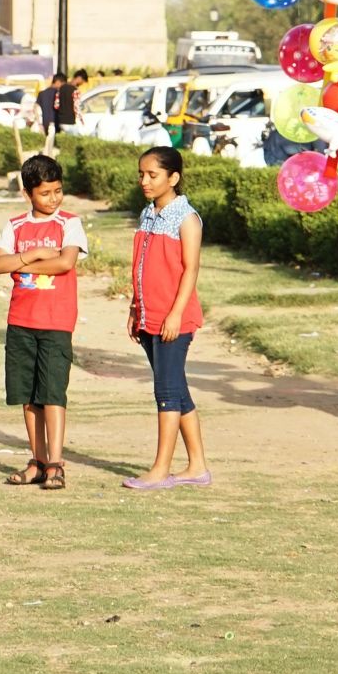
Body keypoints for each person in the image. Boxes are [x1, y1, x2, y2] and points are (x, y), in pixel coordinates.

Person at [0, 154, 86, 490]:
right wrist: (33, 255)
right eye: (45, 193)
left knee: (52, 393)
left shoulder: (69, 223)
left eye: (58, 191)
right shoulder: (15, 226)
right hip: (21, 321)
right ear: (27, 193)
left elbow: (65, 264)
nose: (53, 199)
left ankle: (56, 464)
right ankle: (38, 460)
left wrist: (19, 264)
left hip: (56, 322)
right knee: (28, 396)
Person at [124, 146, 209, 489]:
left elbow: (191, 270)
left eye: (152, 175)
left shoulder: (186, 218)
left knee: (167, 393)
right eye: (141, 174)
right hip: (148, 316)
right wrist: (135, 306)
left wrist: (174, 315)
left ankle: (161, 470)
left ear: (173, 178)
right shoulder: (147, 213)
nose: (145, 181)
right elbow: (143, 265)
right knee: (178, 392)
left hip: (174, 320)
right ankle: (197, 467)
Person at [35, 80, 62, 148]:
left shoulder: (41, 93)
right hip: (55, 124)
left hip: (44, 124)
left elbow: (36, 108)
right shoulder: (58, 94)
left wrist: (39, 123)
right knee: (51, 147)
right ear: (57, 82)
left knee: (45, 146)